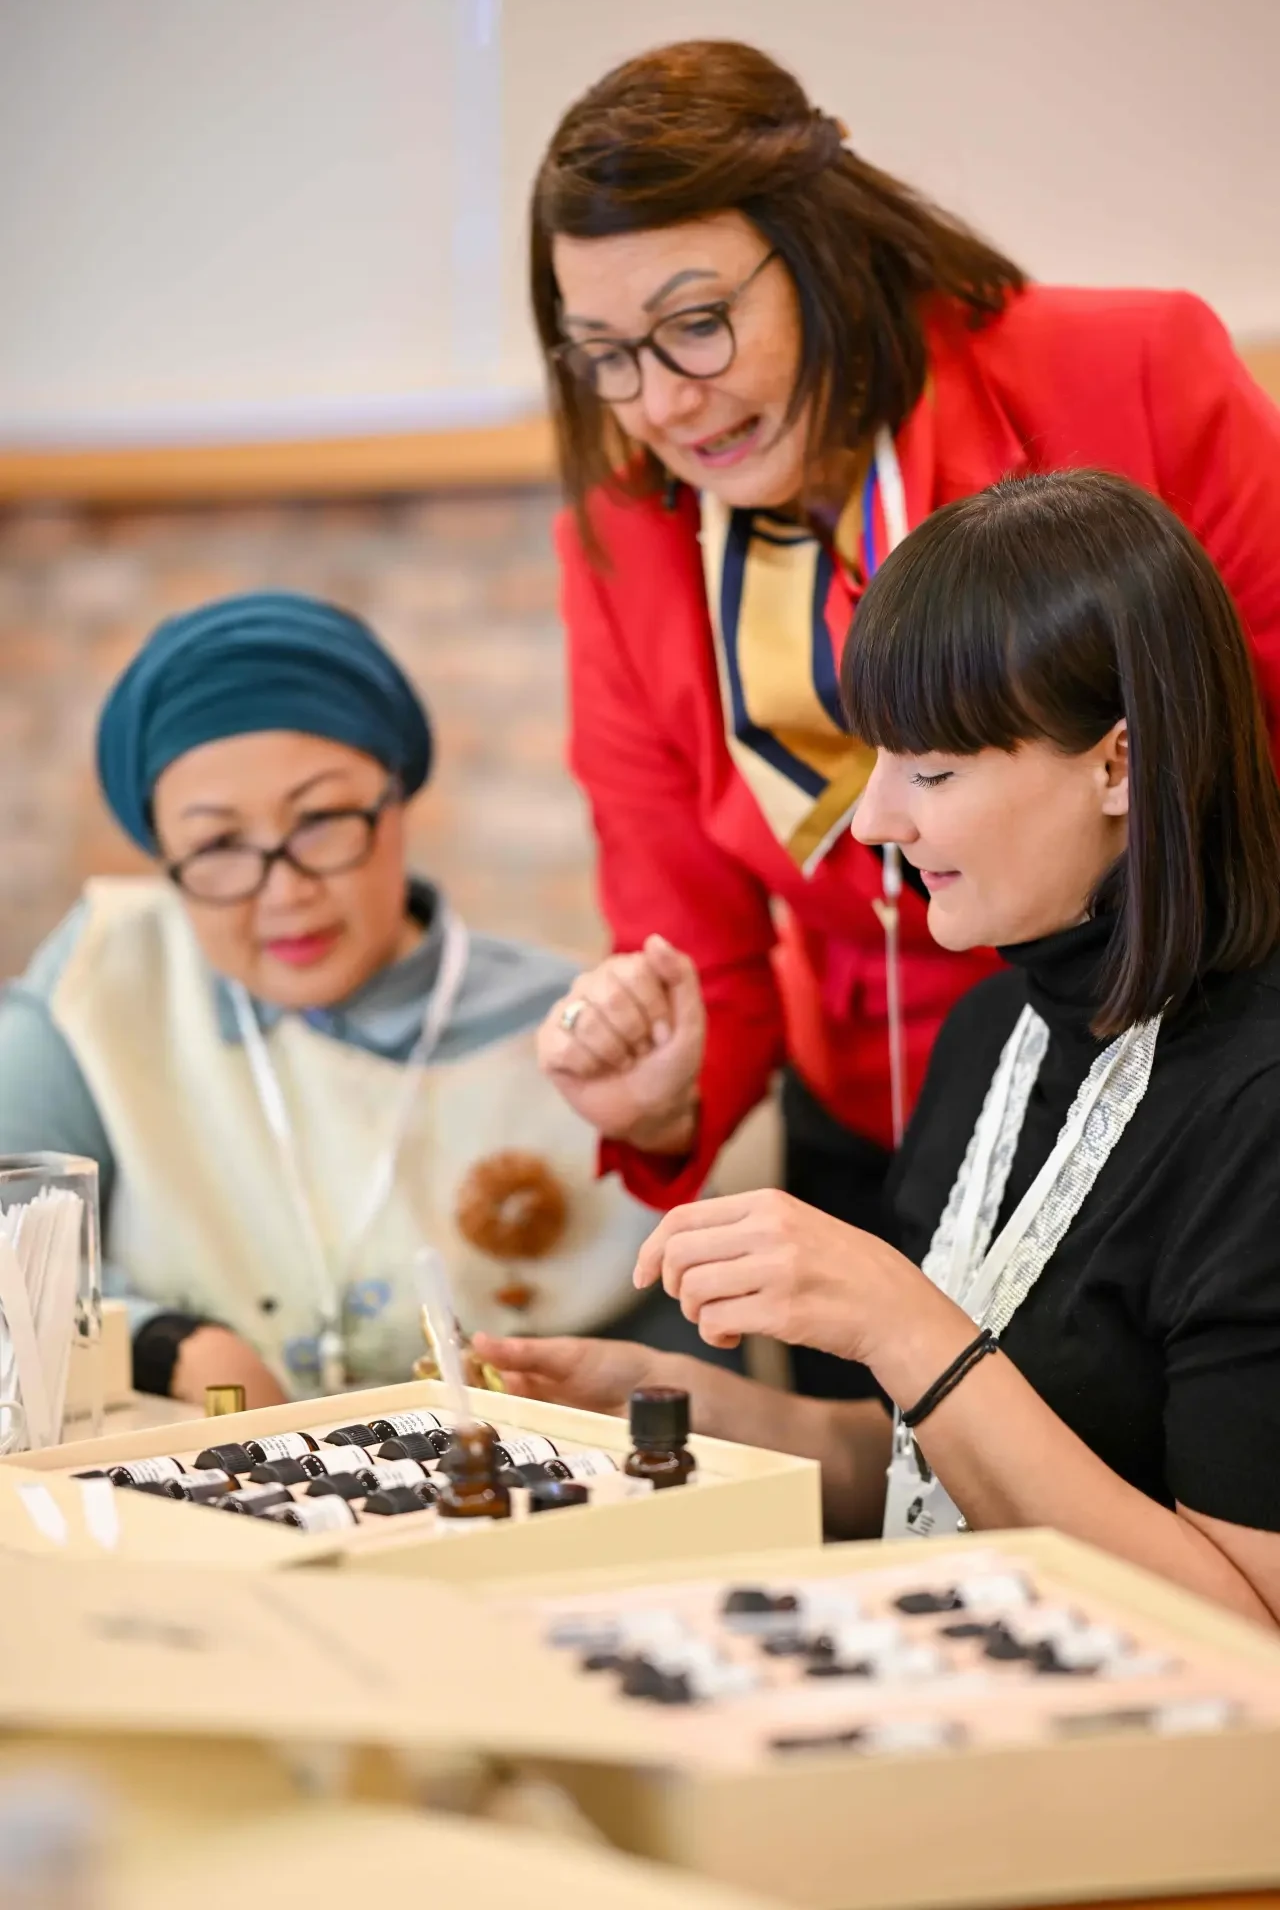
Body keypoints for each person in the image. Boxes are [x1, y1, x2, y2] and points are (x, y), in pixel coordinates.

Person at [528, 38, 1280, 1399]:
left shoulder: (1123, 373)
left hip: (1186, 1100)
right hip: (881, 1132)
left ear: (819, 246)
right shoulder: (624, 544)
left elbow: (1257, 752)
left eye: (696, 325)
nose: (661, 400)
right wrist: (662, 1094)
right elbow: (691, 942)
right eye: (605, 358)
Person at [479, 471, 1280, 1626]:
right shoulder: (986, 1035)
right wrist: (679, 1410)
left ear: (1118, 764)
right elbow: (923, 1475)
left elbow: (1248, 1625)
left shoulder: (1255, 1101)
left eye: (933, 772)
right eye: (876, 761)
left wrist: (904, 1323)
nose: (872, 822)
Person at [0, 591, 701, 1408]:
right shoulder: (108, 979)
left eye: (323, 819)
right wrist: (173, 1344)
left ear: (398, 799)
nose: (286, 891)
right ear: (162, 851)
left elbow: (690, 1360)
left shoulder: (565, 1029)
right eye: (219, 845)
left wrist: (660, 1125)